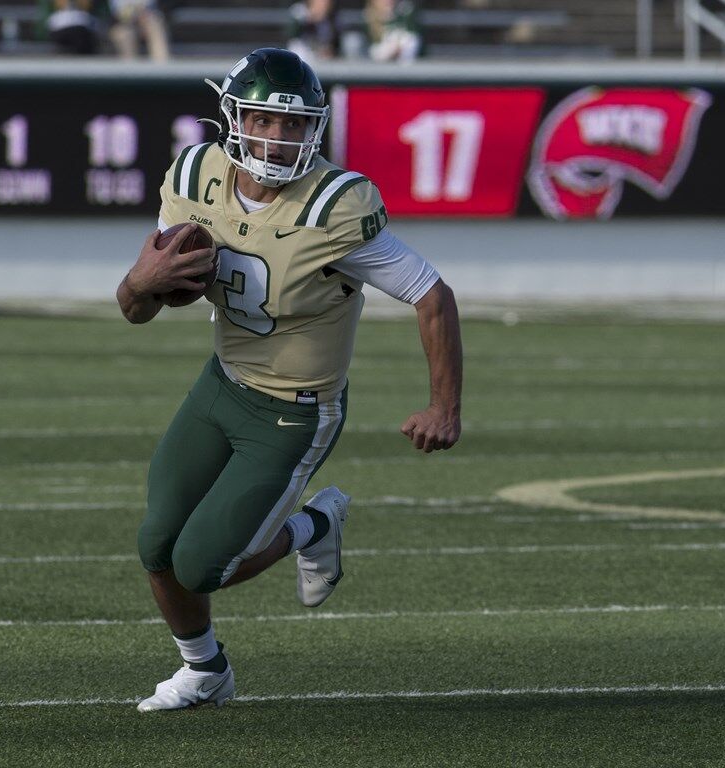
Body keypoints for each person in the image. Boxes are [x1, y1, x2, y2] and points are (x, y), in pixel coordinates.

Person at [116, 47, 462, 712]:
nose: (279, 139)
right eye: (265, 121)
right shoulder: (195, 174)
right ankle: (205, 671)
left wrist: (443, 405)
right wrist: (143, 281)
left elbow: (431, 294)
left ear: (316, 129)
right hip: (221, 385)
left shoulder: (335, 205)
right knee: (156, 542)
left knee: (201, 565)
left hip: (293, 412)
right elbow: (136, 309)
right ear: (233, 116)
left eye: (296, 125)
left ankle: (312, 527)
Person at [286, 0, 342, 65]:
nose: (324, 3)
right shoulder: (300, 11)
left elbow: (335, 42)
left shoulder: (332, 18)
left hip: (324, 60)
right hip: (302, 57)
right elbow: (292, 34)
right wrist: (311, 18)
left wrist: (329, 50)